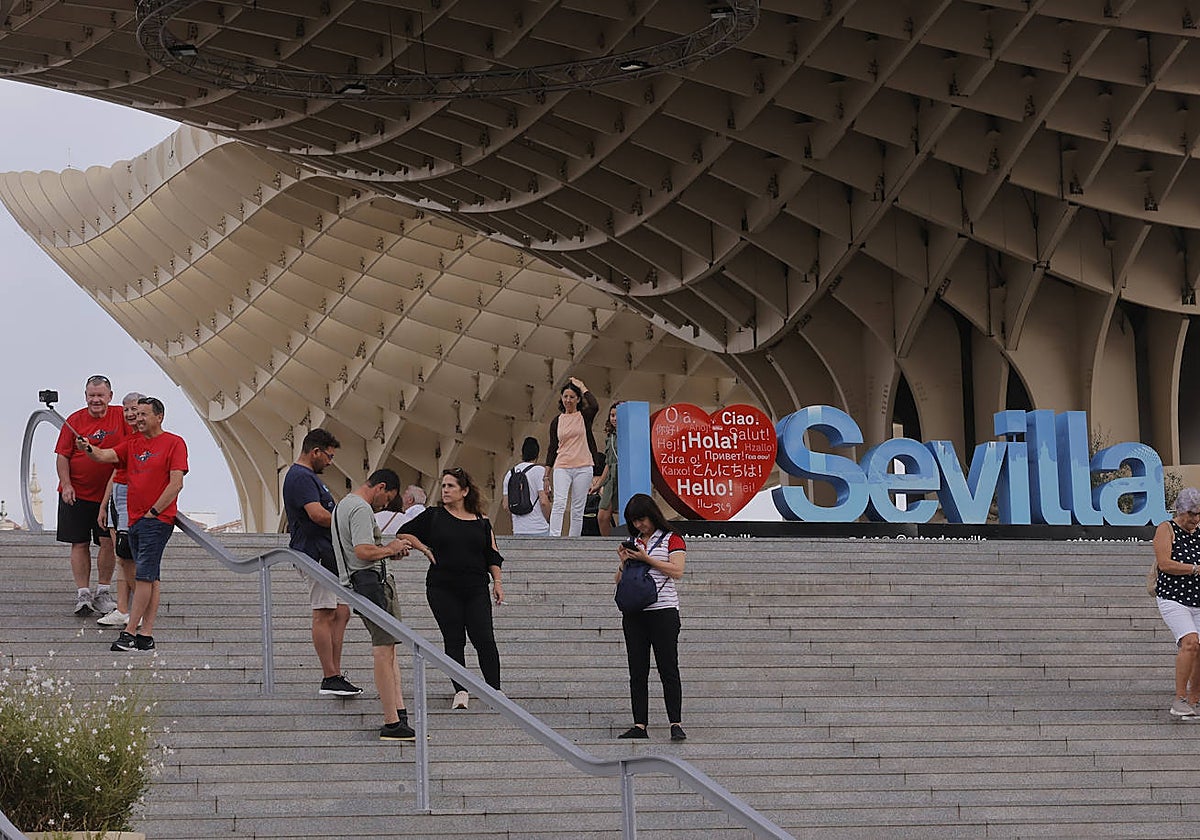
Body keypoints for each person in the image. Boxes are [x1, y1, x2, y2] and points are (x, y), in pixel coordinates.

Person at [79, 396, 187, 652]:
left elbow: (176, 483)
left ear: (159, 416)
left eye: (143, 415)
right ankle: (146, 636)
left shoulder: (174, 443)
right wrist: (88, 448)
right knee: (150, 577)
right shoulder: (133, 443)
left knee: (145, 576)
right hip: (134, 520)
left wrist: (154, 512)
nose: (138, 419)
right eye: (136, 415)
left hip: (155, 521)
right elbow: (105, 456)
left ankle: (130, 632)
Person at [332, 468, 430, 740]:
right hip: (371, 583)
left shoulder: (344, 505)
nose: (385, 505)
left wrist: (387, 553)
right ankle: (392, 721)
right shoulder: (361, 509)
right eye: (387, 499)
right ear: (381, 487)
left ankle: (399, 715)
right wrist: (391, 548)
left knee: (389, 650)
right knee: (384, 652)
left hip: (365, 580)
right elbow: (363, 551)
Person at [400, 467, 504, 710]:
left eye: (451, 486)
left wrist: (498, 582)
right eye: (444, 486)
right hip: (442, 588)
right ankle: (461, 690)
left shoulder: (481, 521)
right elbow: (404, 532)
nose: (445, 490)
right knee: (454, 639)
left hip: (476, 588)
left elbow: (492, 554)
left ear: (464, 491)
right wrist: (424, 549)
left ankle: (495, 690)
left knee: (484, 638)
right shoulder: (434, 515)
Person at [283, 428, 362, 697]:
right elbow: (317, 514)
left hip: (325, 553)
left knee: (341, 611)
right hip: (313, 552)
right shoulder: (301, 477)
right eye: (329, 456)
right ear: (315, 451)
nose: (330, 462)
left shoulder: (307, 478)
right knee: (324, 611)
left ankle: (335, 673)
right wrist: (347, 522)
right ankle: (330, 676)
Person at [55, 374, 129, 617]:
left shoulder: (121, 416)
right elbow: (62, 456)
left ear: (110, 396)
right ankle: (83, 593)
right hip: (77, 494)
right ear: (85, 396)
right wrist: (66, 484)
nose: (96, 400)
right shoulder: (74, 420)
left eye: (100, 395)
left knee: (107, 541)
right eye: (91, 395)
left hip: (108, 495)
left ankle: (103, 591)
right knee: (79, 542)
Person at [614, 493, 687, 741]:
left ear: (653, 515)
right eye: (634, 521)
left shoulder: (672, 538)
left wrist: (647, 559)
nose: (639, 525)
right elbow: (618, 580)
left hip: (663, 611)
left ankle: (675, 722)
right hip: (635, 613)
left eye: (642, 519)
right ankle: (639, 724)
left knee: (668, 668)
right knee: (637, 670)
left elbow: (677, 571)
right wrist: (624, 562)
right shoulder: (632, 541)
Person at [96, 391, 145, 627]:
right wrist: (104, 504)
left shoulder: (149, 440)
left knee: (130, 558)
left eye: (135, 409)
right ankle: (123, 609)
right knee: (121, 558)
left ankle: (140, 610)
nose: (131, 414)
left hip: (134, 502)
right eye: (126, 410)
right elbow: (116, 471)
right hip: (118, 498)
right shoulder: (128, 439)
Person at [1153, 486, 1200, 717]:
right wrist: (1194, 569)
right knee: (1190, 642)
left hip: (1197, 599)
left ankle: (1195, 699)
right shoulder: (1166, 529)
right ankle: (1179, 699)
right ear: (1180, 511)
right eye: (1191, 514)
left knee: (1199, 648)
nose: (1195, 519)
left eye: (1198, 514)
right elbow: (1165, 564)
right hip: (1173, 598)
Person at [544, 376, 600, 536]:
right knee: (559, 503)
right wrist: (546, 474)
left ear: (578, 399)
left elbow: (595, 405)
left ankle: (573, 539)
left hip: (583, 466)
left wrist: (582, 386)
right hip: (562, 466)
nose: (568, 400)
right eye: (565, 396)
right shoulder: (557, 421)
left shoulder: (584, 416)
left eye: (572, 397)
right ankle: (554, 536)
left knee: (578, 507)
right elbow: (552, 447)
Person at [502, 437, 550, 536]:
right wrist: (549, 519)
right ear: (537, 454)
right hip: (539, 529)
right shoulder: (540, 471)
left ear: (522, 454)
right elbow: (544, 502)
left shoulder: (510, 474)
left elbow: (506, 505)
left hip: (518, 530)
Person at [592, 401, 623, 537]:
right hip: (611, 479)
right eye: (612, 415)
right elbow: (608, 464)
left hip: (624, 477)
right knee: (602, 516)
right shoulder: (610, 437)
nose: (614, 419)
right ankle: (608, 542)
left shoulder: (629, 435)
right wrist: (598, 484)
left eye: (617, 415)